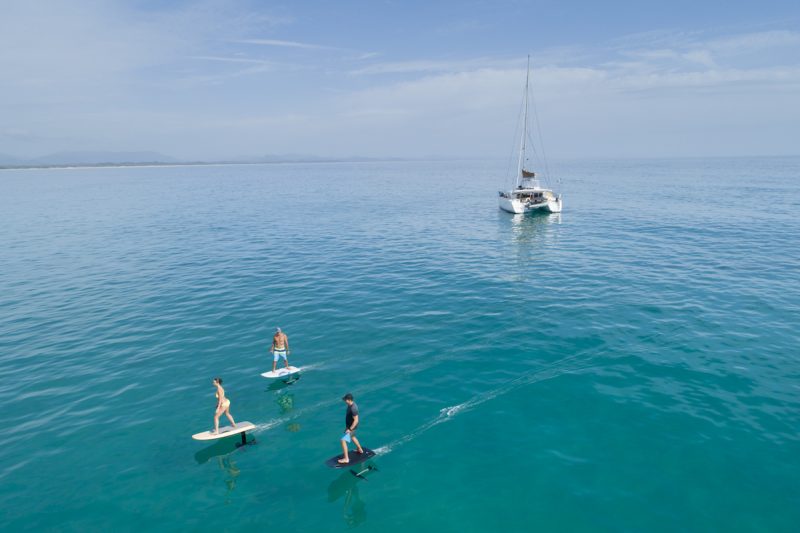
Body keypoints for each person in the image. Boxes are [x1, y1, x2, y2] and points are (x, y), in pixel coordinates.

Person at [338, 393, 364, 463]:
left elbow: (356, 420)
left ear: (349, 400)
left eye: (345, 400)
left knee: (342, 440)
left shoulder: (353, 408)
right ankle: (360, 449)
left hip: (351, 427)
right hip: (349, 426)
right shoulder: (350, 405)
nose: (344, 401)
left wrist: (349, 429)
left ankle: (346, 459)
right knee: (352, 437)